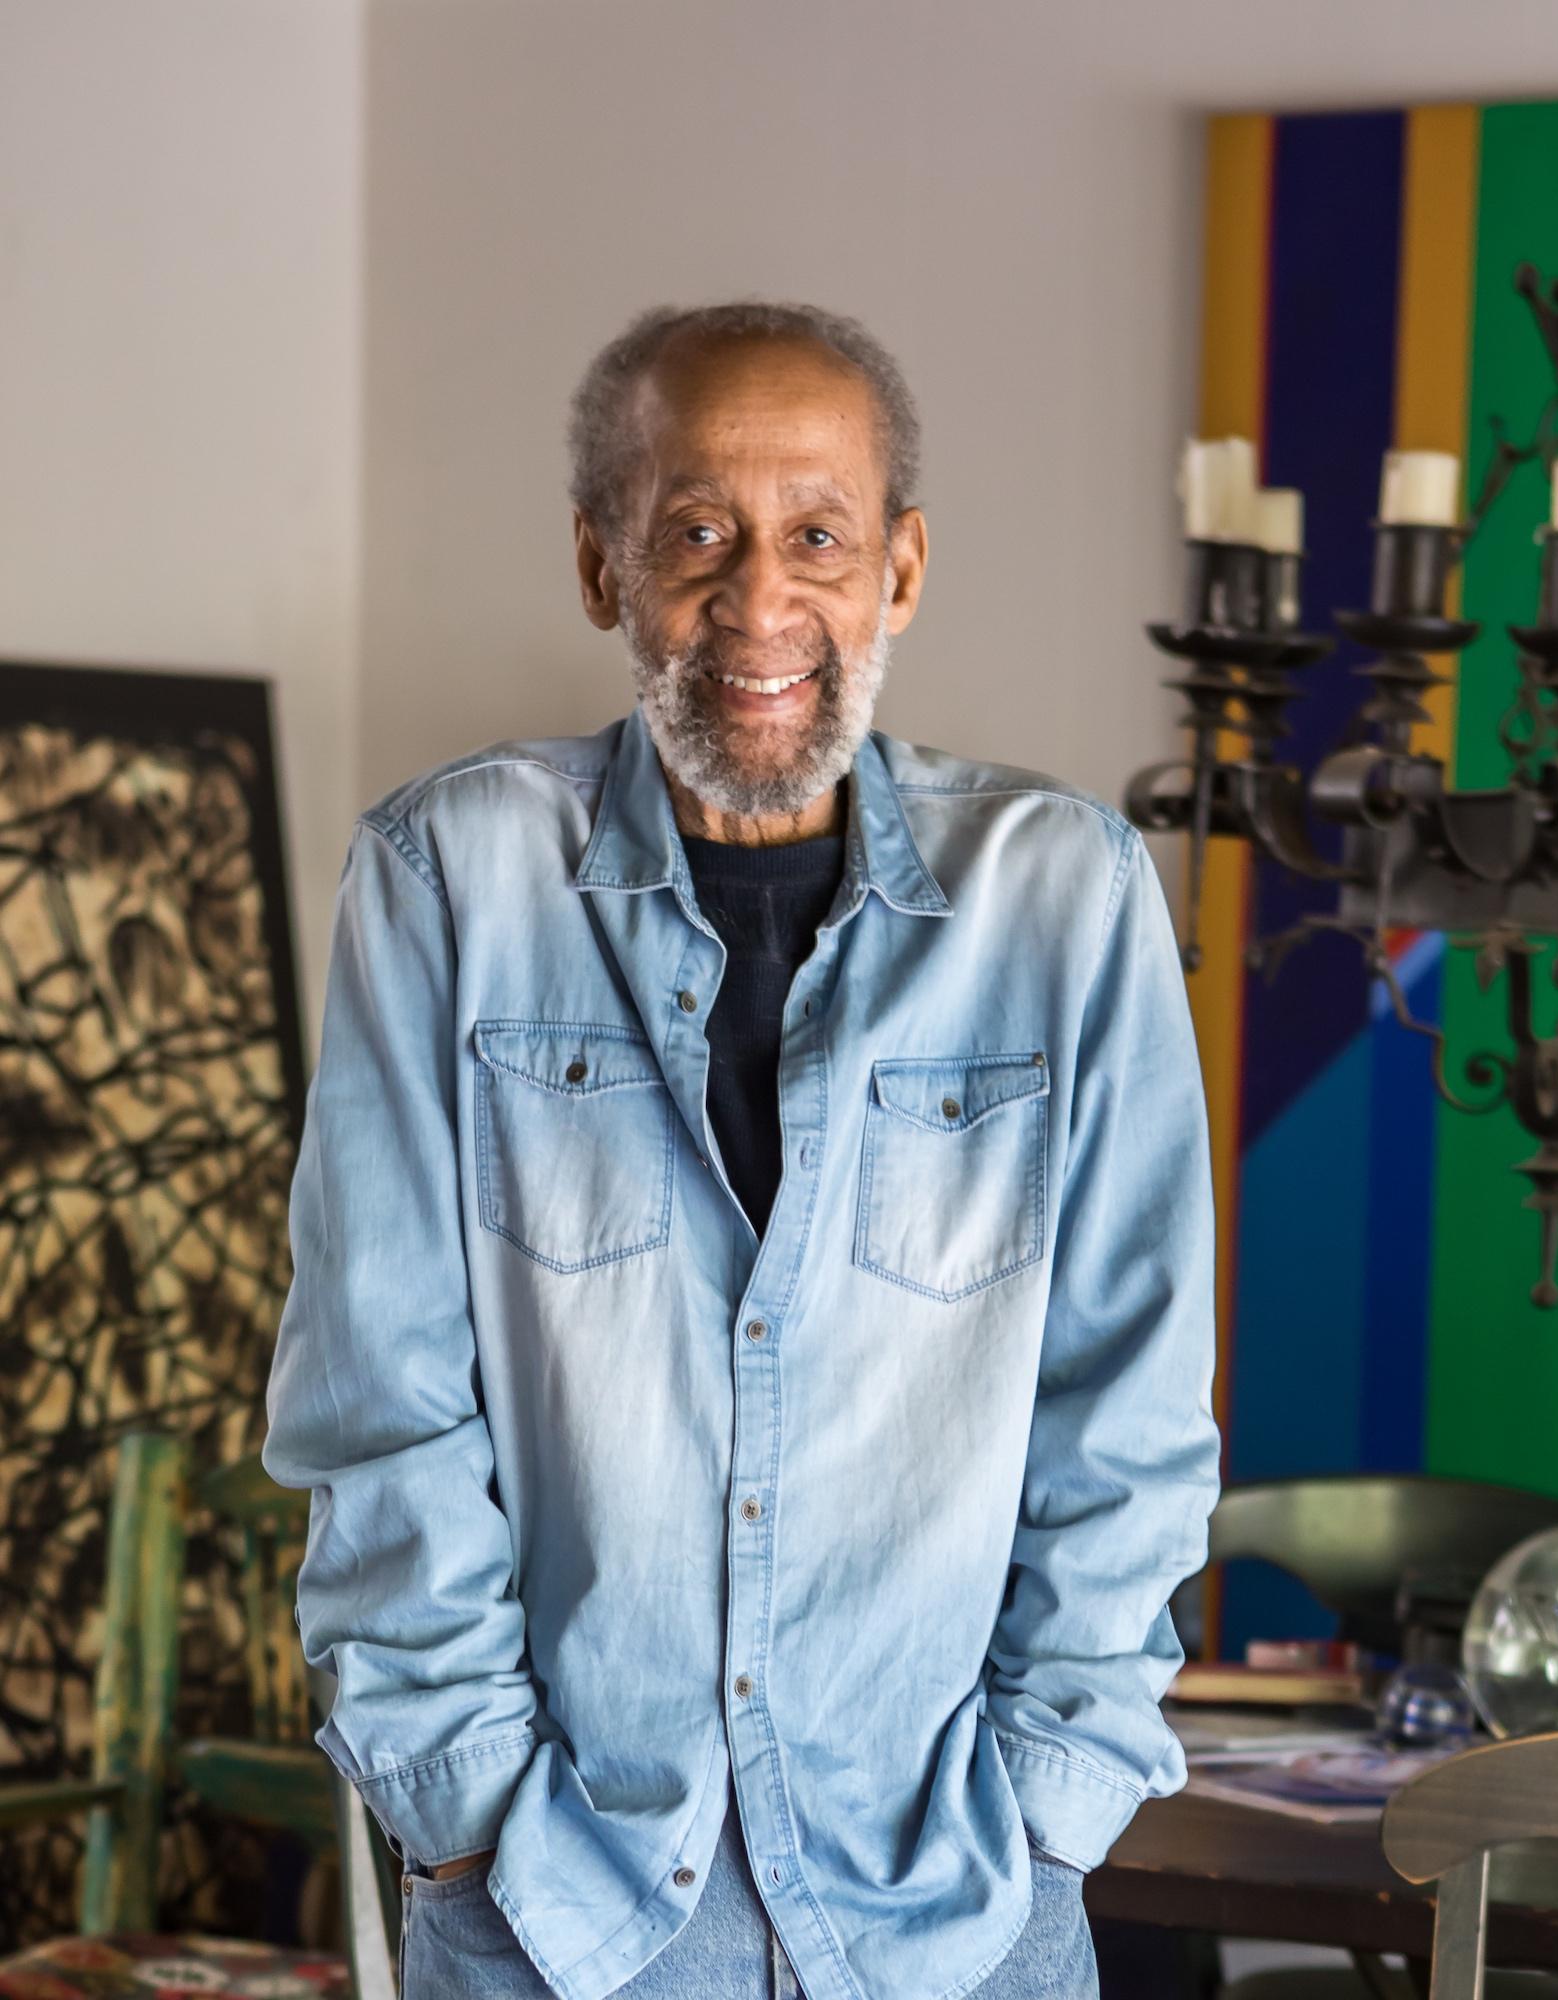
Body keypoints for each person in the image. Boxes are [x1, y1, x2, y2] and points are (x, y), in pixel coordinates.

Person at [262, 300, 1221, 2000]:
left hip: (965, 1903)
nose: (761, 601)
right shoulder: (444, 881)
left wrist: (1051, 1813)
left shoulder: (1068, 898)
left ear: (901, 569)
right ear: (602, 565)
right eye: (697, 531)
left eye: (819, 536)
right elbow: (378, 1404)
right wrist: (468, 1826)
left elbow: (1127, 1415)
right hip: (559, 1906)